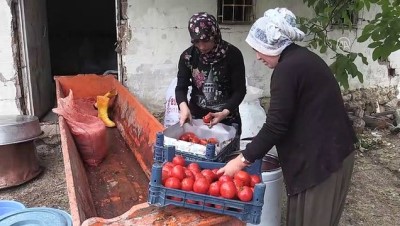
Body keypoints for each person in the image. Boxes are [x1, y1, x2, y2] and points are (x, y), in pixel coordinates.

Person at [217, 8, 358, 226]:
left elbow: (276, 125)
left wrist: (242, 159)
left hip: (324, 160)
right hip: (326, 153)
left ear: (273, 43)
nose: (257, 56)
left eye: (259, 49)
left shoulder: (287, 70)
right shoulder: (302, 59)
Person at [175, 12, 246, 136]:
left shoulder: (233, 55)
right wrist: (183, 108)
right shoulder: (188, 57)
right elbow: (181, 88)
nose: (202, 47)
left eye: (206, 40)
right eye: (196, 41)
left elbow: (239, 91)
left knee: (228, 154)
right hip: (197, 120)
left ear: (215, 34)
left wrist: (224, 112)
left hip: (227, 118)